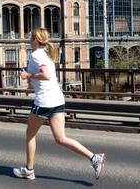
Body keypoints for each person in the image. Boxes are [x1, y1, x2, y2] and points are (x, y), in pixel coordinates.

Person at [13, 27, 106, 180]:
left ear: (36, 40)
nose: (29, 40)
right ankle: (94, 158)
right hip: (57, 99)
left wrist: (27, 74)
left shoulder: (36, 55)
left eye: (31, 38)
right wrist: (29, 77)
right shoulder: (46, 54)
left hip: (44, 102)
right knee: (61, 138)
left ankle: (28, 170)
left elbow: (46, 75)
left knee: (30, 135)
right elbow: (39, 80)